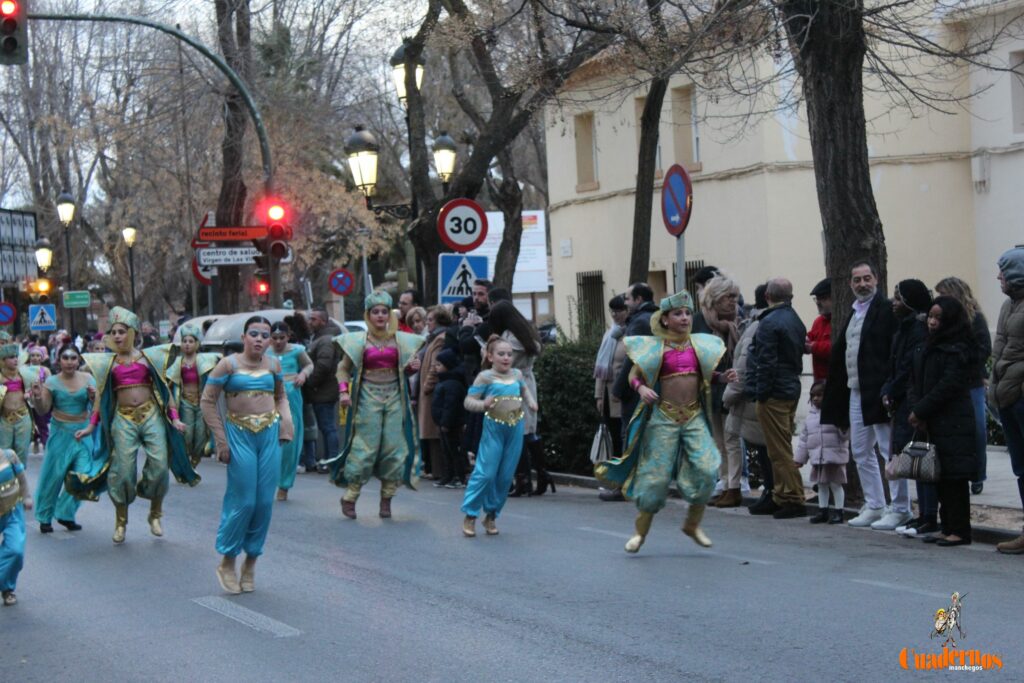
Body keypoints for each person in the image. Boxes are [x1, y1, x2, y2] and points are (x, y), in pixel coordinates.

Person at [596, 291, 737, 553]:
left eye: (686, 313)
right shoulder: (655, 348)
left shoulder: (699, 346)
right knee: (655, 481)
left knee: (707, 470)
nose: (684, 318)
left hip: (693, 418)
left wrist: (722, 377)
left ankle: (692, 524)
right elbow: (634, 376)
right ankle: (640, 533)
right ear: (664, 320)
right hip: (664, 419)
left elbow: (707, 375)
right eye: (678, 314)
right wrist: (641, 389)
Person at [77, 307, 196, 544]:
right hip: (123, 418)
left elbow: (164, 391)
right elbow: (101, 397)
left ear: (132, 332)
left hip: (150, 415)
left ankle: (155, 513)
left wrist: (174, 418)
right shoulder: (107, 363)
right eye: (113, 332)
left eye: (122, 331)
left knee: (161, 466)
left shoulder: (151, 357)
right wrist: (91, 425)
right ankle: (121, 521)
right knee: (122, 471)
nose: (117, 336)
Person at [202, 316, 294, 593]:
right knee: (244, 501)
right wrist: (221, 441)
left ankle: (251, 561)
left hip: (268, 436)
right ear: (244, 337)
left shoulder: (274, 365)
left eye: (264, 335)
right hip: (238, 435)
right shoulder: (227, 364)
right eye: (253, 333)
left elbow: (281, 396)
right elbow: (207, 402)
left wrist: (286, 424)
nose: (259, 339)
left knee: (265, 502)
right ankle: (228, 560)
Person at [821, 262, 911, 530]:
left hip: (879, 391)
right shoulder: (853, 313)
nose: (862, 284)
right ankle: (875, 504)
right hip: (856, 390)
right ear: (850, 284)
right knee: (860, 450)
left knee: (888, 450)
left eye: (867, 279)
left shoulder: (885, 309)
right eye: (857, 280)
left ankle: (900, 508)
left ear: (877, 280)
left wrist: (890, 387)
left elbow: (891, 351)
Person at [327, 291, 424, 519]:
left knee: (393, 447)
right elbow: (343, 369)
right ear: (368, 315)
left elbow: (406, 370)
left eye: (384, 311)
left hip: (394, 398)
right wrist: (343, 392)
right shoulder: (357, 341)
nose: (380, 316)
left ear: (390, 314)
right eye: (375, 312)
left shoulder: (402, 340)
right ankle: (350, 495)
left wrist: (412, 368)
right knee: (365, 448)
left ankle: (387, 499)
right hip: (367, 398)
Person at [908, 297, 979, 547]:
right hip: (933, 420)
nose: (932, 322)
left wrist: (922, 410)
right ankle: (946, 525)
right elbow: (915, 380)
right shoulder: (928, 345)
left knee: (954, 479)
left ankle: (959, 529)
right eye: (930, 316)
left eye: (938, 317)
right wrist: (918, 410)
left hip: (953, 422)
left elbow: (948, 385)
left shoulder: (957, 348)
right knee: (939, 476)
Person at [460, 336, 538, 537]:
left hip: (515, 430)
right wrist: (483, 405)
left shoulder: (518, 374)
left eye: (509, 354)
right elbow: (468, 402)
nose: (506, 358)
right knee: (485, 474)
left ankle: (492, 515)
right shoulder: (485, 377)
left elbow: (524, 390)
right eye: (501, 354)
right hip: (493, 431)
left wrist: (530, 403)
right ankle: (470, 515)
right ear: (490, 356)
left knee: (504, 477)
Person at [748, 278, 808, 519]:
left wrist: (761, 393)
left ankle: (793, 497)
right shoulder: (795, 319)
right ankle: (782, 496)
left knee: (778, 449)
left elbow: (766, 361)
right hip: (790, 386)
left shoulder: (769, 322)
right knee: (780, 444)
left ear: (767, 297)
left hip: (774, 392)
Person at [879, 280, 934, 537]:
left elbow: (908, 368)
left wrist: (893, 389)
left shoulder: (918, 330)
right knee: (913, 460)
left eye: (899, 299)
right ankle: (923, 514)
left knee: (922, 459)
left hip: (913, 400)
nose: (894, 303)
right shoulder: (903, 329)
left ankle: (929, 515)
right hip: (902, 399)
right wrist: (888, 389)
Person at [934, 277, 991, 496]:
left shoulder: (974, 318)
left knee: (977, 430)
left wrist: (960, 359)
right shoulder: (939, 319)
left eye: (943, 294)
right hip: (947, 382)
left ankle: (978, 474)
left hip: (970, 381)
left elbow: (983, 348)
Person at [30, 344, 96, 533]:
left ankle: (65, 513)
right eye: (65, 358)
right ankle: (44, 516)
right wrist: (36, 396)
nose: (69, 362)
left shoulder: (88, 379)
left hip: (82, 434)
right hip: (60, 434)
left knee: (83, 476)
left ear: (78, 360)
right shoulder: (51, 382)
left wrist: (93, 398)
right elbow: (43, 409)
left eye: (73, 358)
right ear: (58, 360)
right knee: (54, 476)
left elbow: (96, 406)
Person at [604, 282, 659, 502]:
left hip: (637, 388)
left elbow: (632, 359)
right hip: (653, 385)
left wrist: (618, 389)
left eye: (627, 299)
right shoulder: (656, 318)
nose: (625, 303)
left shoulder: (639, 322)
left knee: (632, 436)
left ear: (638, 299)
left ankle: (626, 485)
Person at [488, 300, 547, 496]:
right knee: (527, 431)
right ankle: (540, 473)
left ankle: (523, 479)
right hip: (525, 382)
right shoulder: (526, 332)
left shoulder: (510, 339)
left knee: (516, 434)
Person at [693, 273, 742, 507]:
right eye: (727, 297)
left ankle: (734, 486)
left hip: (732, 388)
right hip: (710, 388)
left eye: (735, 296)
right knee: (718, 441)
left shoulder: (738, 321)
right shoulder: (699, 322)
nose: (733, 301)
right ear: (714, 298)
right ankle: (724, 483)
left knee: (732, 440)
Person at [989, 246, 1024, 554]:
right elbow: (1000, 348)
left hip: (1020, 394)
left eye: (1003, 270)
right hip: (1008, 396)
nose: (998, 276)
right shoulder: (1007, 306)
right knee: (1021, 468)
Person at [722, 283, 768, 508]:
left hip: (746, 396)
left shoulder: (755, 327)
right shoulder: (754, 325)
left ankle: (738, 488)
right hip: (751, 393)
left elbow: (741, 368)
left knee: (748, 442)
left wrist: (728, 396)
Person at [266, 321, 312, 501]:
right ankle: (267, 481)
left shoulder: (297, 351)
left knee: (289, 439)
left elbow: (309, 365)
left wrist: (303, 375)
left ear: (289, 336)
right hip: (268, 396)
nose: (278, 342)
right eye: (274, 338)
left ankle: (284, 485)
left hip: (291, 395)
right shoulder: (264, 351)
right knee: (269, 438)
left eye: (282, 338)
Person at [165, 323, 220, 468]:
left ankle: (196, 458)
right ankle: (186, 460)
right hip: (185, 402)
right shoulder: (177, 362)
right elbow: (168, 382)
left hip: (202, 401)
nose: (187, 345)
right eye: (184, 341)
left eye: (191, 341)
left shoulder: (206, 361)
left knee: (201, 434)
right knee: (187, 434)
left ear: (197, 344)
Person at [795, 380, 849, 524]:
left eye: (820, 395)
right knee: (821, 485)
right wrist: (800, 458)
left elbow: (845, 436)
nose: (815, 398)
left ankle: (839, 511)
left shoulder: (835, 413)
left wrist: (842, 426)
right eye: (813, 395)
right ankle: (823, 510)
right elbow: (804, 439)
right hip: (818, 457)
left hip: (834, 458)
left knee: (836, 484)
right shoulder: (810, 417)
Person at [302, 309, 342, 474]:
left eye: (314, 319)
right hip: (324, 390)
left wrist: (310, 382)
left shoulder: (325, 340)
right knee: (327, 427)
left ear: (323, 322)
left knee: (328, 427)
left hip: (323, 391)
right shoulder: (321, 337)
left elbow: (323, 365)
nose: (310, 322)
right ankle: (329, 459)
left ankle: (331, 460)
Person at [418, 306, 453, 484]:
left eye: (430, 320)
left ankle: (440, 470)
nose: (427, 323)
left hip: (432, 391)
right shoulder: (432, 338)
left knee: (435, 432)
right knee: (431, 433)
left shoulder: (440, 339)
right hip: (429, 390)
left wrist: (427, 386)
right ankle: (435, 470)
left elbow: (435, 365)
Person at [594, 295, 629, 459]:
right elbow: (600, 367)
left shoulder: (630, 332)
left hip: (622, 392)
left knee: (624, 433)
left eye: (619, 310)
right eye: (612, 311)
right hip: (607, 395)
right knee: (613, 433)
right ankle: (613, 470)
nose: (615, 315)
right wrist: (598, 396)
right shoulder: (609, 334)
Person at [0, 339, 40, 473]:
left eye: (16, 357)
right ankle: (7, 485)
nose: (15, 360)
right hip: (4, 419)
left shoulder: (25, 375)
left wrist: (30, 393)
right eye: (11, 357)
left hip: (23, 417)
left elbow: (35, 394)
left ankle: (21, 485)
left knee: (22, 452)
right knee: (4, 453)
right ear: (3, 360)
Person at [431, 348, 467, 488]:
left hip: (451, 424)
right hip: (442, 422)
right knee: (446, 450)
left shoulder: (452, 384)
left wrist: (445, 422)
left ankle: (459, 476)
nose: (436, 367)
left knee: (454, 450)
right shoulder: (443, 382)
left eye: (439, 365)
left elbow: (450, 406)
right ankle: (449, 475)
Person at [0, 448, 31, 605]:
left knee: (16, 551)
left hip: (12, 510)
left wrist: (27, 497)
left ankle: (7, 588)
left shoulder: (9, 456)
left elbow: (22, 478)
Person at [806, 278, 832, 381]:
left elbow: (837, 347)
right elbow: (810, 336)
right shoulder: (819, 321)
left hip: (834, 380)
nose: (818, 303)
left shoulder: (840, 320)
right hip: (819, 380)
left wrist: (813, 347)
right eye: (817, 299)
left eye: (823, 298)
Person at [27, 346, 52, 454]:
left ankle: (46, 444)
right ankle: (35, 439)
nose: (35, 358)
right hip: (28, 401)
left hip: (40, 400)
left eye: (38, 356)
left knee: (42, 423)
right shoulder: (25, 369)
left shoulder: (45, 370)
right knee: (30, 424)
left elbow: (50, 383)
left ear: (42, 358)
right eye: (33, 355)